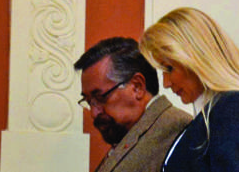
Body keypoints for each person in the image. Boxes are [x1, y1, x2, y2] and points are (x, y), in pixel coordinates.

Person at [139, 7, 239, 172]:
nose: (166, 83)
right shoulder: (220, 111)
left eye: (169, 68)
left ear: (196, 57)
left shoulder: (236, 109)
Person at [75, 37, 192, 172]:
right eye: (89, 102)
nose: (94, 113)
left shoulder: (176, 128)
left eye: (100, 97)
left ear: (137, 87)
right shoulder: (131, 133)